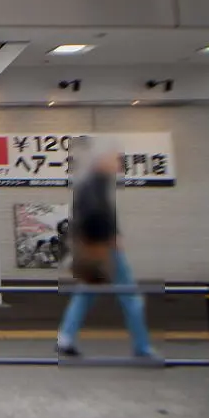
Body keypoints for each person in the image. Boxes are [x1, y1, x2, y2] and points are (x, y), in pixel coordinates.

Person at [56, 144, 158, 360]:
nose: (118, 163)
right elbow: (95, 214)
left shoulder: (92, 183)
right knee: (130, 296)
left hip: (94, 247)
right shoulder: (95, 184)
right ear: (101, 160)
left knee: (86, 292)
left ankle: (65, 338)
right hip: (105, 248)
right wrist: (111, 237)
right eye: (114, 159)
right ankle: (142, 346)